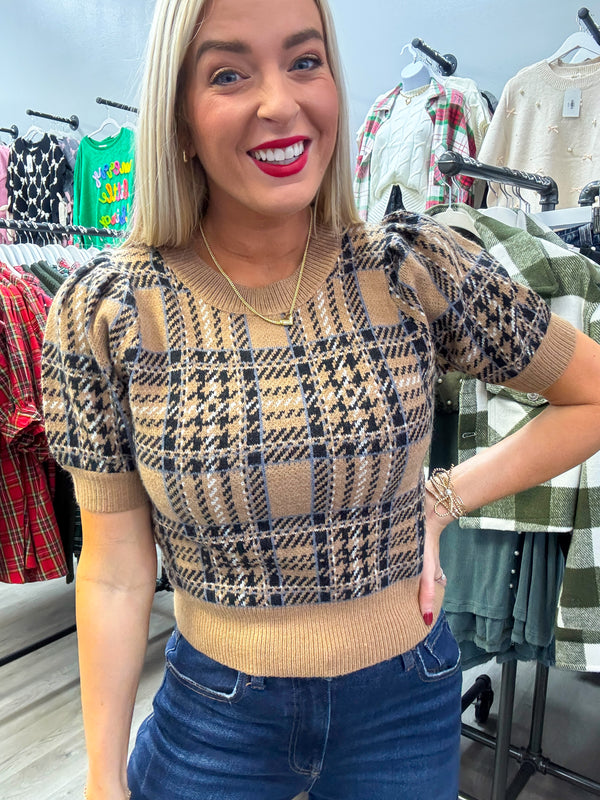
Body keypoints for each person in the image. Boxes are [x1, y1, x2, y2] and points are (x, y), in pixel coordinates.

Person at [41, 0, 600, 798]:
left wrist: (442, 498)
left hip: (403, 705)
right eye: (229, 74)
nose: (280, 102)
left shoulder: (411, 266)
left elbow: (590, 394)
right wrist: (103, 780)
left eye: (305, 62)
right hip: (213, 718)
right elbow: (116, 573)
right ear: (179, 117)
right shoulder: (109, 311)